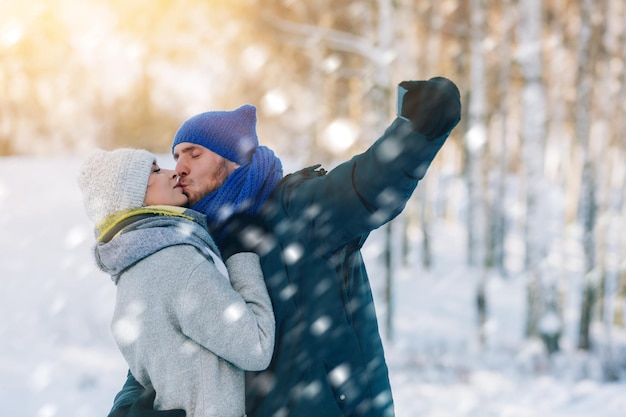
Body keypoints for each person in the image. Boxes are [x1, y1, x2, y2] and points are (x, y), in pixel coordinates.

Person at [107, 77, 462, 417]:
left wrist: (417, 128)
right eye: (176, 156)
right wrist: (128, 407)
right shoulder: (194, 246)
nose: (179, 168)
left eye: (193, 154)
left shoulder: (295, 208)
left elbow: (365, 187)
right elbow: (157, 345)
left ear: (232, 158)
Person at [78, 148, 275, 417]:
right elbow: (257, 347)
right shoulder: (177, 261)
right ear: (134, 198)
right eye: (156, 171)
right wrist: (240, 254)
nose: (174, 173)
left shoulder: (130, 270)